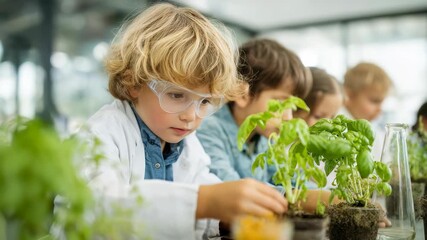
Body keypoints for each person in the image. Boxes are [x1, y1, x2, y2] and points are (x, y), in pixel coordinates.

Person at [85, 4, 287, 240]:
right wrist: (204, 201)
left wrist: (229, 212)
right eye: (177, 95)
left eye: (205, 102)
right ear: (134, 84)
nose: (191, 116)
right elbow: (96, 208)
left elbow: (207, 194)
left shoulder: (187, 146)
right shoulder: (102, 134)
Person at [196, 39, 335, 213]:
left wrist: (333, 196)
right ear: (242, 95)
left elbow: (290, 180)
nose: (288, 117)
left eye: (292, 106)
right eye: (279, 102)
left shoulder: (263, 140)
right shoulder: (209, 130)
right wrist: (318, 200)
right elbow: (232, 190)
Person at [340, 62, 392, 160]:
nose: (379, 108)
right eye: (374, 101)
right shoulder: (336, 128)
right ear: (348, 95)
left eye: (381, 102)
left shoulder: (375, 132)